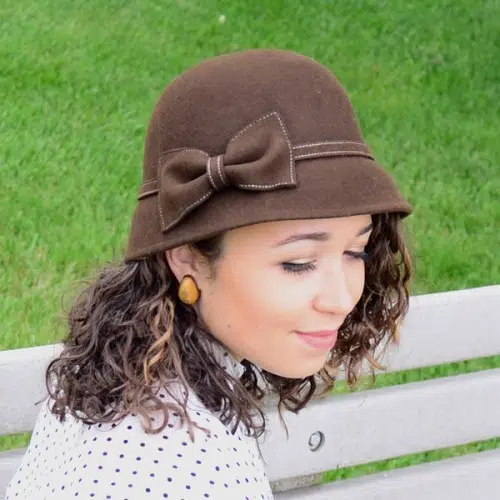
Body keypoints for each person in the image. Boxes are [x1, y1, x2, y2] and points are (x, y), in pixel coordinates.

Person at [5, 48, 412, 499]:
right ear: (185, 258)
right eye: (297, 263)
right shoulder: (170, 469)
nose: (340, 297)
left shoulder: (126, 367)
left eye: (356, 251)